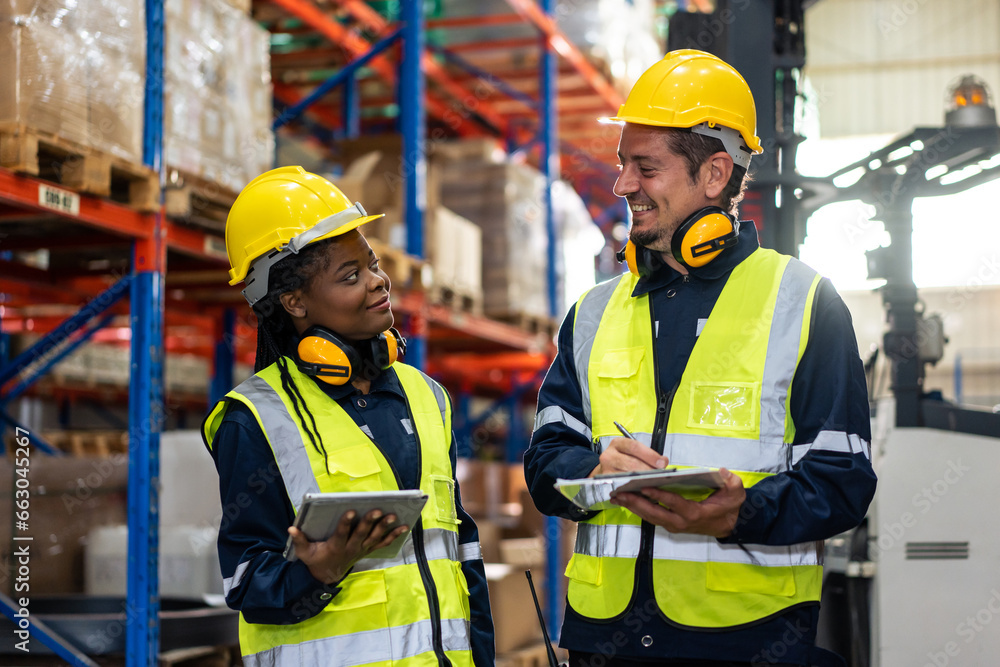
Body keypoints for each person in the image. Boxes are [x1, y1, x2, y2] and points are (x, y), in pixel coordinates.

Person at [524, 50, 876, 667]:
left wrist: (741, 512)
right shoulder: (593, 312)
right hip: (605, 646)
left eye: (645, 167)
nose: (622, 185)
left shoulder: (804, 302)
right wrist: (594, 468)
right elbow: (545, 466)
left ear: (715, 175)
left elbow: (842, 483)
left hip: (749, 644)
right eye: (622, 165)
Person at [203, 166, 495, 667]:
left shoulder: (427, 397)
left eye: (372, 263)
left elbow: (462, 551)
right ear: (293, 301)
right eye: (350, 276)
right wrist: (318, 572)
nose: (379, 282)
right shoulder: (252, 420)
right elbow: (244, 581)